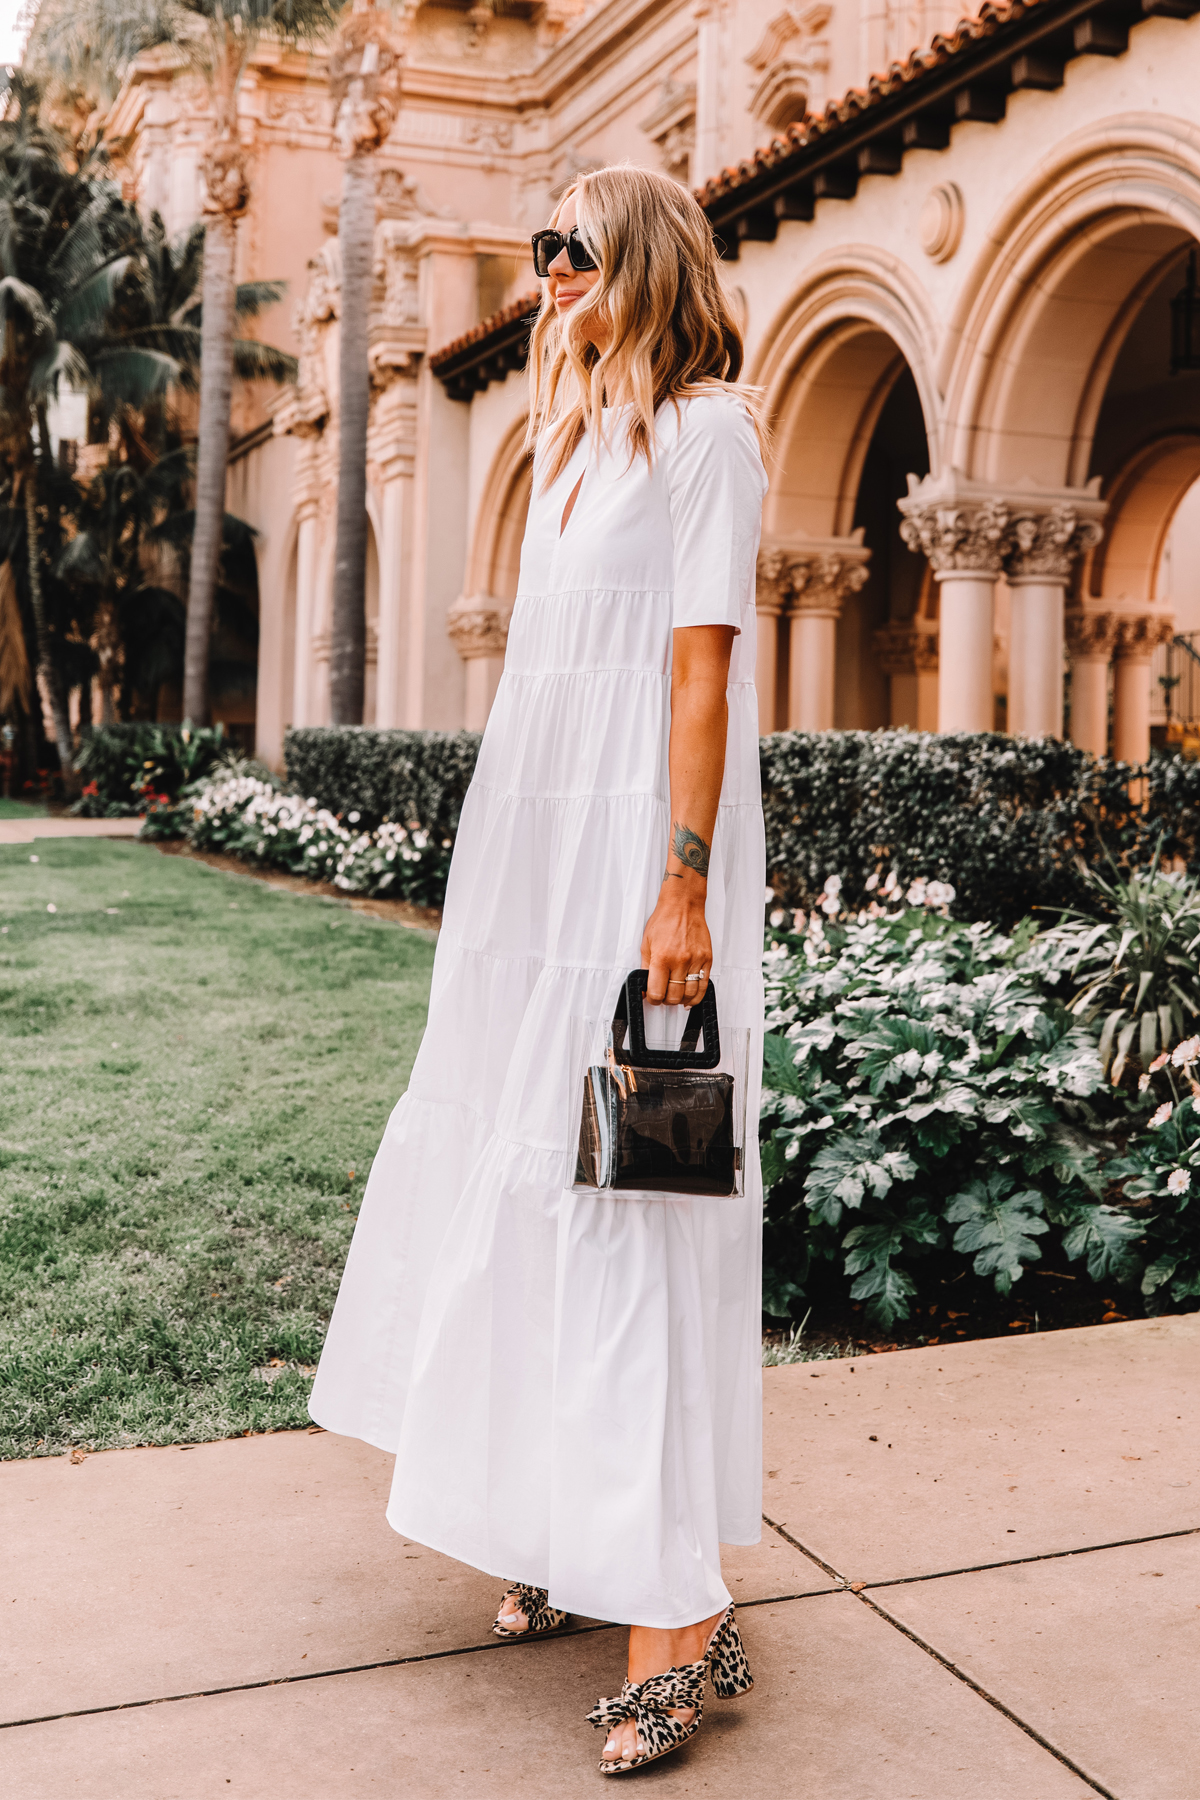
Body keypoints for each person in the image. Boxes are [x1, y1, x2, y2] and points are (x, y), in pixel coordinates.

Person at [309, 162, 769, 1776]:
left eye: (571, 251)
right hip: (533, 869)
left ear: (642, 259)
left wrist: (683, 890)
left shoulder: (712, 431)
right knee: (525, 1186)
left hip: (637, 871)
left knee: (632, 1206)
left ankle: (674, 1627)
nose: (547, 276)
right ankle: (569, 1528)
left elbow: (699, 677)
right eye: (538, 254)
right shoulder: (569, 442)